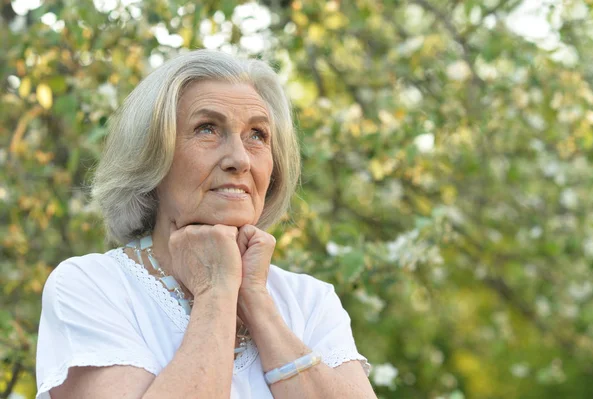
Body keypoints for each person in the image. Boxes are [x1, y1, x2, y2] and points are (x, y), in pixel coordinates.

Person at [35, 49, 375, 399]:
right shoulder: (92, 286)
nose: (239, 159)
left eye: (257, 135)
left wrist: (255, 300)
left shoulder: (310, 300)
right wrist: (216, 291)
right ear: (153, 158)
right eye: (207, 129)